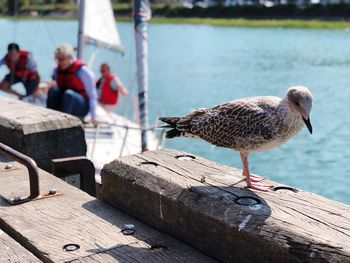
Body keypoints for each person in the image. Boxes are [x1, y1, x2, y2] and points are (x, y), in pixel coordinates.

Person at [46, 43, 97, 122]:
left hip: (81, 106)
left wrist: (93, 117)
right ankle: (48, 119)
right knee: (53, 91)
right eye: (57, 59)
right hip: (65, 101)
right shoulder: (56, 70)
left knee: (69, 94)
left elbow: (92, 95)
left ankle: (63, 123)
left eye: (62, 59)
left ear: (70, 57)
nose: (59, 62)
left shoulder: (83, 71)